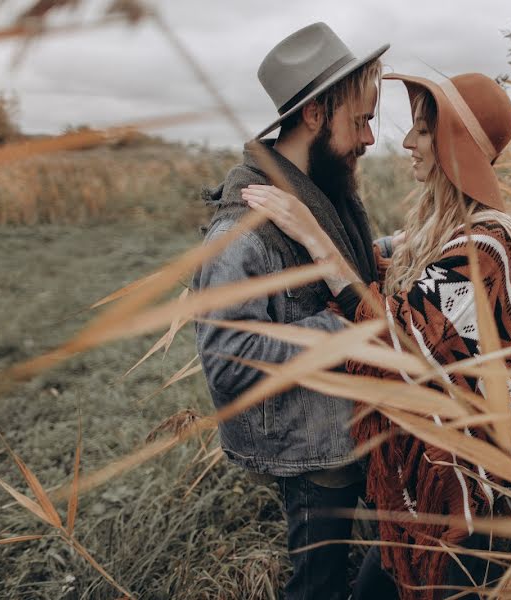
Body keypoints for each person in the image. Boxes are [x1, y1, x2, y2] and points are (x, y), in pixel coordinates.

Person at [243, 72, 511, 599]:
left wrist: (313, 235)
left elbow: (396, 343)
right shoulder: (439, 233)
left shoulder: (483, 250)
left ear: (452, 145)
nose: (405, 142)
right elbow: (386, 279)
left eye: (422, 131)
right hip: (422, 482)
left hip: (459, 498)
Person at [191, 22, 389, 600]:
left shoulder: (322, 195)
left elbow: (345, 263)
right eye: (361, 120)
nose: (371, 138)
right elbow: (229, 365)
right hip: (312, 450)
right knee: (318, 587)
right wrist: (346, 326)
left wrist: (404, 252)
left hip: (354, 427)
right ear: (315, 115)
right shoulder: (242, 230)